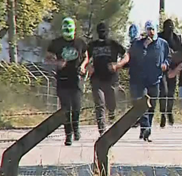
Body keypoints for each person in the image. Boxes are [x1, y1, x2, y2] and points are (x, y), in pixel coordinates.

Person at [46, 17, 89, 146]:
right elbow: (47, 58)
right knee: (66, 108)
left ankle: (76, 128)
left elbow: (86, 56)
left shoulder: (80, 42)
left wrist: (83, 66)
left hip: (76, 78)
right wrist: (57, 62)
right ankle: (68, 135)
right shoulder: (56, 43)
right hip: (62, 79)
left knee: (76, 106)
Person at [127, 19, 171, 142]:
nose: (150, 32)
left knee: (152, 107)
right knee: (143, 105)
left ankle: (146, 130)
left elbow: (169, 56)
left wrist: (166, 64)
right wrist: (144, 47)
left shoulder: (163, 44)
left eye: (152, 29)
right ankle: (145, 128)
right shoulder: (140, 44)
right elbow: (135, 58)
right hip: (142, 80)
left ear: (156, 30)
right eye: (148, 29)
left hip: (155, 80)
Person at [87, 22, 129, 135]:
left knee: (111, 102)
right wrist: (88, 66)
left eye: (104, 31)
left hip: (111, 78)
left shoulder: (113, 44)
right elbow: (84, 58)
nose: (102, 33)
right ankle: (102, 130)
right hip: (97, 78)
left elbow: (126, 56)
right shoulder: (92, 45)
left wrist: (118, 65)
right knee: (99, 104)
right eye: (100, 31)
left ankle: (111, 112)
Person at [158, 19, 182, 128]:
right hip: (162, 68)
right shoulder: (159, 37)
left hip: (173, 68)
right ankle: (162, 114)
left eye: (171, 27)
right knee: (164, 91)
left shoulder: (177, 38)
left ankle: (169, 111)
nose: (169, 29)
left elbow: (181, 52)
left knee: (171, 93)